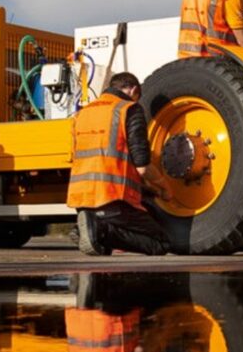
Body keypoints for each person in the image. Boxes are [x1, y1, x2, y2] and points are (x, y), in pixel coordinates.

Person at [68, 72, 171, 256]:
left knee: (105, 248)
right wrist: (164, 187)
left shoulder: (81, 115)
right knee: (161, 243)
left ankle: (90, 229)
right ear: (133, 90)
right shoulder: (129, 109)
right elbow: (142, 167)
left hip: (82, 200)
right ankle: (100, 230)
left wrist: (149, 189)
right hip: (113, 200)